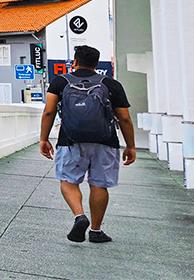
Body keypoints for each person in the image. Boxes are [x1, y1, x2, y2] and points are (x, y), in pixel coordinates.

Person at [39, 45, 136, 244]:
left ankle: (79, 216)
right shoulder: (111, 84)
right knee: (99, 184)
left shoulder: (60, 81)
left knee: (68, 181)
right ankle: (96, 231)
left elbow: (48, 112)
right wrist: (130, 146)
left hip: (70, 141)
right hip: (106, 141)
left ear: (74, 62)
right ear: (96, 63)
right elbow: (124, 118)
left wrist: (44, 138)